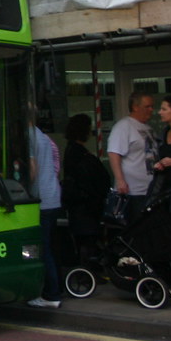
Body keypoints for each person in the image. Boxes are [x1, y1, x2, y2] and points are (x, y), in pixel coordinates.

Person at [61, 114, 111, 267]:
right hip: (85, 205)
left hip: (82, 205)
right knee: (87, 241)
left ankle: (88, 270)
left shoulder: (73, 151)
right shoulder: (79, 154)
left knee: (86, 240)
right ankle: (88, 270)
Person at [107, 91, 157, 223]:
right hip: (133, 191)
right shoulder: (124, 126)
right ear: (135, 107)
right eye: (147, 106)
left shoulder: (147, 127)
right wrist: (120, 180)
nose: (151, 110)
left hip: (149, 190)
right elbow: (114, 152)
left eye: (152, 106)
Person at [28, 125, 63, 308]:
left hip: (40, 199)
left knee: (43, 249)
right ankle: (57, 289)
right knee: (51, 246)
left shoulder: (27, 137)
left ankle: (51, 294)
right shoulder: (42, 135)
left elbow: (32, 171)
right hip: (53, 197)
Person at [151, 94, 171, 215]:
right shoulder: (163, 133)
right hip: (165, 188)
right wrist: (159, 163)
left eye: (164, 109)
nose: (160, 112)